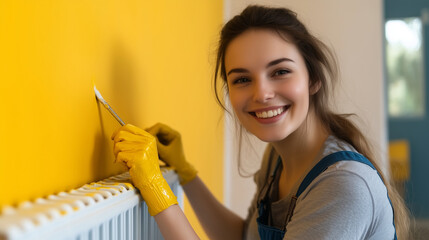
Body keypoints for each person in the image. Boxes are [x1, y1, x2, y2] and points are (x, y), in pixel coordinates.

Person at [111, 5, 409, 240]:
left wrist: (155, 188)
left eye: (280, 72)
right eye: (242, 79)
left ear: (313, 78)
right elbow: (242, 237)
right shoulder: (278, 159)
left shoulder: (343, 185)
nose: (262, 93)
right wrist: (186, 173)